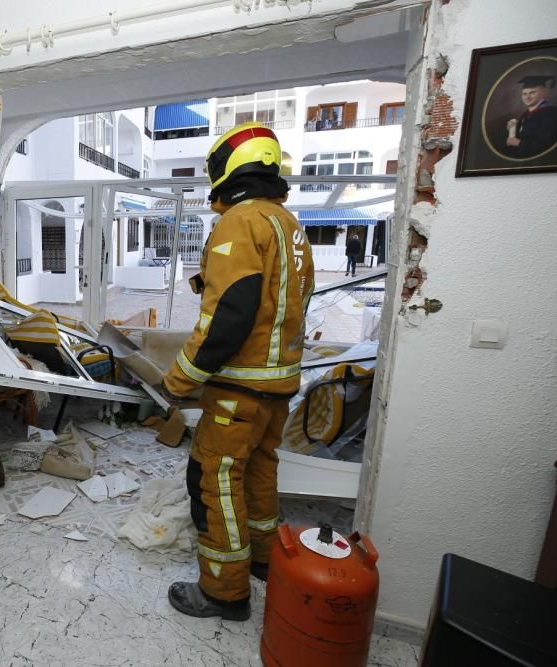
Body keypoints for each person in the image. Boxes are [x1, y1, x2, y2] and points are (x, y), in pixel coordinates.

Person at [158, 122, 314, 621]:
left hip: (238, 389)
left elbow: (230, 314)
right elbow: (269, 296)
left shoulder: (239, 221)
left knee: (216, 481)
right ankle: (265, 561)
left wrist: (179, 381)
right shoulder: (286, 223)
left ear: (227, 168)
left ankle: (224, 592)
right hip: (278, 384)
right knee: (259, 474)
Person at [505, 75, 557, 158]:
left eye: (532, 92)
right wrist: (511, 130)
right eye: (524, 93)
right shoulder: (525, 114)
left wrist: (518, 143)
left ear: (543, 91)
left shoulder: (551, 113)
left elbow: (547, 145)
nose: (527, 97)